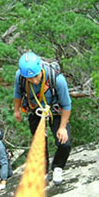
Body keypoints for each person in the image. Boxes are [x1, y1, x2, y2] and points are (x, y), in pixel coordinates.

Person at [13, 51, 72, 185]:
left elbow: (67, 105)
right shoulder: (20, 77)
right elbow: (17, 94)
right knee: (39, 142)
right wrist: (16, 111)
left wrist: (62, 127)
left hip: (55, 112)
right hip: (35, 110)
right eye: (30, 79)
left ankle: (57, 167)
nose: (34, 80)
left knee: (65, 143)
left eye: (36, 76)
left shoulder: (57, 79)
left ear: (40, 69)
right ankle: (43, 170)